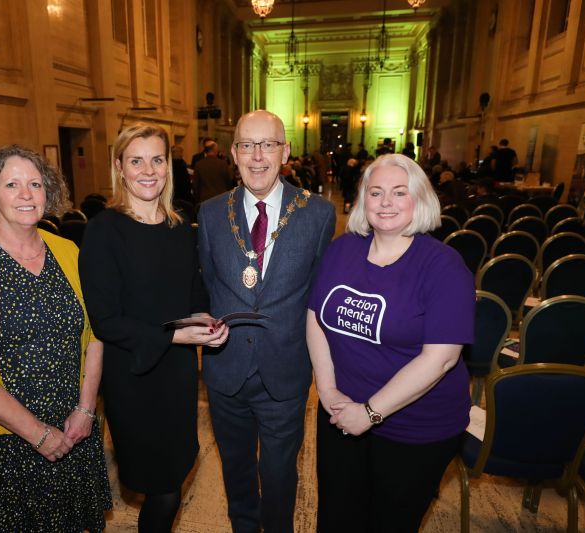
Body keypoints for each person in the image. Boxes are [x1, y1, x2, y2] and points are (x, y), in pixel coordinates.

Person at [0, 145, 112, 532]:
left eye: (34, 183)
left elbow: (95, 332)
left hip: (72, 428)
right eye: (11, 184)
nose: (26, 195)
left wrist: (85, 409)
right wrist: (38, 433)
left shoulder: (68, 251)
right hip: (3, 443)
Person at [306, 154, 474, 532]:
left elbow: (441, 360)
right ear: (362, 199)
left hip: (416, 425)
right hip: (340, 411)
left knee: (389, 523)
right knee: (336, 516)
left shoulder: (444, 266)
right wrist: (328, 389)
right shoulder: (342, 249)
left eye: (400, 193)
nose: (385, 202)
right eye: (376, 192)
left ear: (420, 200)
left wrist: (369, 413)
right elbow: (315, 318)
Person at [79, 123, 228, 533]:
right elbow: (105, 320)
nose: (148, 170)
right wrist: (177, 336)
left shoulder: (179, 226)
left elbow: (193, 294)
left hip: (177, 375)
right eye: (136, 160)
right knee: (161, 487)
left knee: (175, 473)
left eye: (157, 160)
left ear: (169, 166)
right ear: (119, 168)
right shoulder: (104, 230)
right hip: (134, 375)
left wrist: (205, 321)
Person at [197, 110, 336, 533]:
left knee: (279, 477)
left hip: (285, 371)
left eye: (268, 144)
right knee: (236, 474)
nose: (257, 157)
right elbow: (208, 286)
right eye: (246, 145)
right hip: (226, 371)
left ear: (285, 150)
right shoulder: (209, 212)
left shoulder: (318, 213)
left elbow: (319, 298)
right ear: (233, 153)